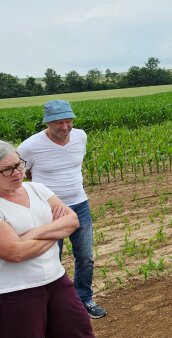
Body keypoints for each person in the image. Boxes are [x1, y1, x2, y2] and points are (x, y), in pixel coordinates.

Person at [0, 140, 104, 338]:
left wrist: (30, 235)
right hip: (11, 291)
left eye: (19, 164)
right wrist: (56, 232)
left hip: (56, 281)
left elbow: (72, 221)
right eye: (7, 169)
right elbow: (15, 253)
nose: (17, 172)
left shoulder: (37, 189)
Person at [17, 100, 107, 319]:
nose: (66, 127)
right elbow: (22, 173)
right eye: (59, 122)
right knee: (50, 257)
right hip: (47, 211)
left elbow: (74, 164)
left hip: (79, 205)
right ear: (47, 123)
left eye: (69, 121)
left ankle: (84, 298)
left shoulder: (81, 136)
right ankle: (54, 305)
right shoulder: (29, 146)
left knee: (85, 256)